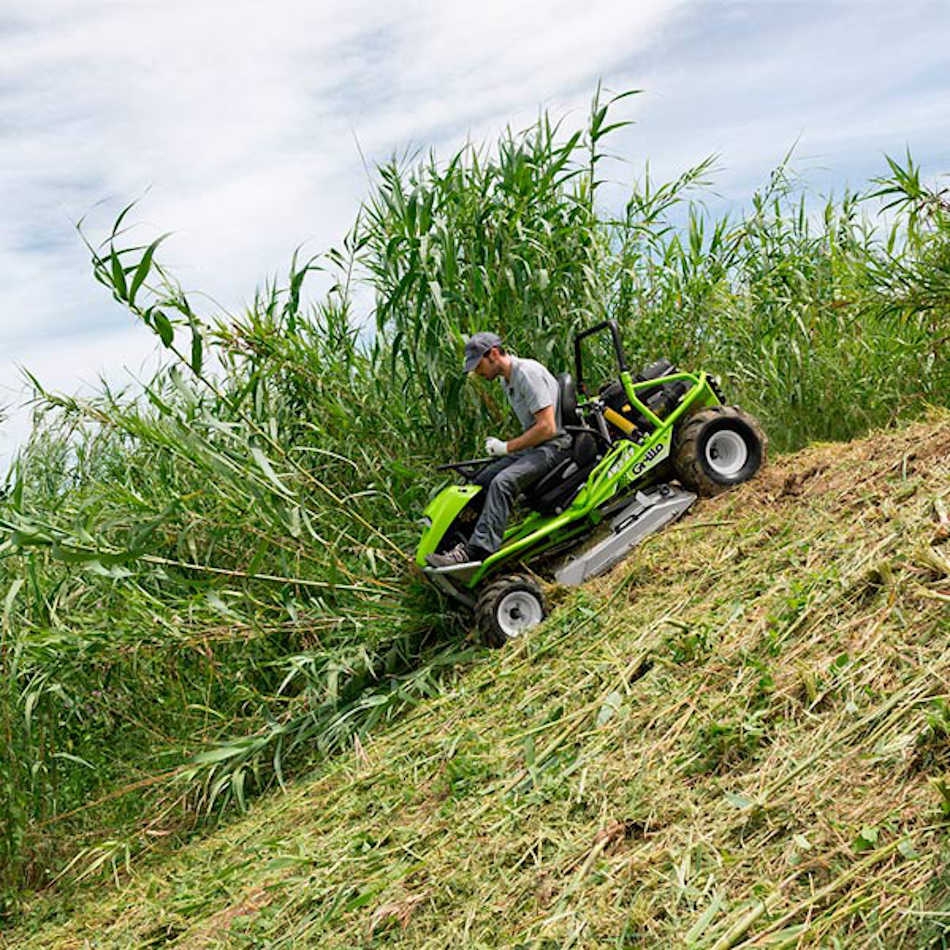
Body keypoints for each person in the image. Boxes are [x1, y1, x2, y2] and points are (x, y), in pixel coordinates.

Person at [426, 331, 570, 568]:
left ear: (493, 354)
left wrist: (506, 447)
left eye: (478, 365)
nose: (477, 373)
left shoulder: (527, 373)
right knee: (481, 479)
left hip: (555, 446)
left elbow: (547, 428)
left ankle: (478, 551)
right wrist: (507, 449)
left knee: (502, 482)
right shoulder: (507, 381)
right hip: (537, 447)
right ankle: (457, 544)